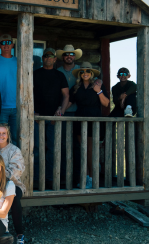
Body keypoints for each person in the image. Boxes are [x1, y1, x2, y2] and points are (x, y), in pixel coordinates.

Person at [68, 62, 109, 188]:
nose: (85, 73)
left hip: (93, 120)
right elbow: (69, 102)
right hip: (80, 119)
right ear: (80, 74)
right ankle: (85, 178)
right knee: (83, 150)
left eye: (87, 71)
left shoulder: (97, 86)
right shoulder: (76, 88)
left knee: (90, 151)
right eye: (82, 71)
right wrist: (60, 110)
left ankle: (92, 178)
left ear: (91, 74)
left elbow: (106, 103)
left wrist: (99, 92)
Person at [33, 48, 69, 189]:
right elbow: (27, 93)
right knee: (36, 149)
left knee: (53, 150)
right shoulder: (35, 74)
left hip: (54, 119)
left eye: (51, 56)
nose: (48, 58)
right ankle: (35, 179)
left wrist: (61, 111)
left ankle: (50, 179)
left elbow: (66, 96)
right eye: (46, 56)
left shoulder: (59, 75)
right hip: (37, 118)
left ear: (55, 59)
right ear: (43, 58)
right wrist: (33, 112)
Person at [0, 123, 26, 244]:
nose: (1, 135)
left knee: (13, 197)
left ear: (8, 135)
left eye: (3, 133)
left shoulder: (14, 150)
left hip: (13, 183)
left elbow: (17, 171)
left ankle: (20, 235)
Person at [57, 45, 83, 182]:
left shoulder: (81, 71)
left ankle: (78, 176)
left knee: (77, 146)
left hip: (79, 114)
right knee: (62, 146)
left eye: (71, 54)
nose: (69, 56)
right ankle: (63, 177)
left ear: (74, 56)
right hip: (63, 114)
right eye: (66, 54)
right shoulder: (58, 71)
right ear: (63, 56)